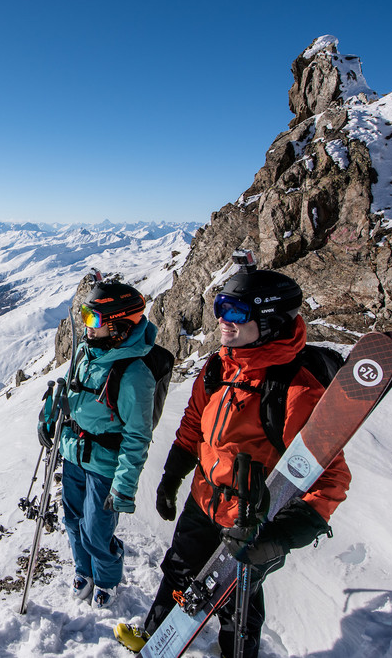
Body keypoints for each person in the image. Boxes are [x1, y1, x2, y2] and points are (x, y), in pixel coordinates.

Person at [114, 256, 350, 657]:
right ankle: (155, 637)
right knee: (178, 568)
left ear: (270, 321)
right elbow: (194, 425)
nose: (224, 320)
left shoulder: (296, 390)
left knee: (237, 600)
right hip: (204, 497)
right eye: (220, 307)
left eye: (236, 311)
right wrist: (172, 477)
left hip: (250, 519)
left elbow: (329, 479)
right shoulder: (219, 367)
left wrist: (279, 539)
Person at [39, 277, 159, 609]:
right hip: (73, 453)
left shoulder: (134, 374)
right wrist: (48, 415)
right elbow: (66, 390)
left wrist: (124, 486)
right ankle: (84, 571)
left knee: (95, 530)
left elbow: (137, 437)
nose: (87, 326)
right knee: (72, 520)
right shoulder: (86, 351)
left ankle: (106, 579)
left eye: (93, 319)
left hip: (105, 465)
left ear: (118, 325)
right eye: (85, 317)